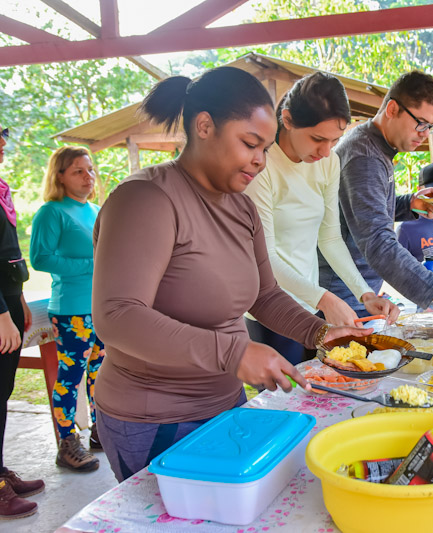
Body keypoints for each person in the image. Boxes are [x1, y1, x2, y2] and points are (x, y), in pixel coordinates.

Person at [91, 67, 368, 482]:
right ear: (204, 126)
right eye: (249, 144)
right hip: (154, 418)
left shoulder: (241, 208)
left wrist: (321, 334)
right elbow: (117, 316)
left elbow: (265, 295)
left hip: (225, 405)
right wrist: (233, 353)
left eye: (265, 147)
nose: (260, 160)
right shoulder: (146, 199)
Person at [244, 72, 398, 364]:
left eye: (335, 140)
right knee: (288, 400)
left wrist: (364, 294)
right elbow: (264, 258)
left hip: (311, 304)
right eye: (317, 139)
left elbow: (329, 238)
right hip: (272, 310)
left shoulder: (329, 162)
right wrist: (325, 299)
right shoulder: (261, 166)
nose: (326, 151)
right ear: (287, 120)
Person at [318, 71, 433, 324]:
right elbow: (378, 240)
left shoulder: (378, 146)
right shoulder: (365, 157)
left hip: (359, 290)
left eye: (430, 126)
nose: (425, 133)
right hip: (342, 294)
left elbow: (358, 210)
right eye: (420, 123)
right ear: (392, 109)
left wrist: (409, 204)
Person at [31, 146, 104, 473]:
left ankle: (101, 431)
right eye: (78, 171)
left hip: (102, 307)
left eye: (90, 169)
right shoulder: (52, 212)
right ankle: (67, 442)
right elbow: (40, 258)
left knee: (100, 373)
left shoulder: (97, 210)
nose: (88, 177)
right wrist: (92, 264)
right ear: (60, 175)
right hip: (72, 311)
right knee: (70, 378)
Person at [0, 125, 45, 519]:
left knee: (3, 392)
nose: (1, 143)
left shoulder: (1, 189)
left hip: (9, 303)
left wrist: (17, 301)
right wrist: (1, 312)